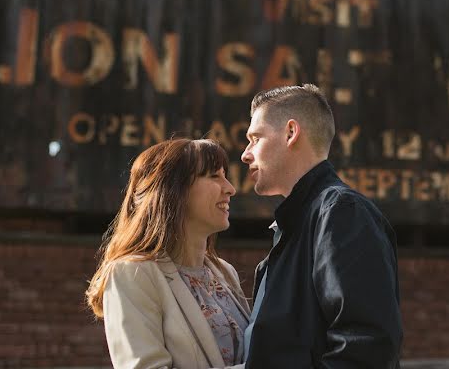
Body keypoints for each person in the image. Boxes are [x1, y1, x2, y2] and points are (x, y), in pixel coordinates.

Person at [239, 84, 403, 368]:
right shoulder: (294, 227)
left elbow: (366, 348)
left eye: (255, 138)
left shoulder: (341, 214)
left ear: (291, 133)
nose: (245, 154)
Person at [86, 138, 250, 369]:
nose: (230, 188)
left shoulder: (225, 272)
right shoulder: (132, 273)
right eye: (214, 176)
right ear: (174, 191)